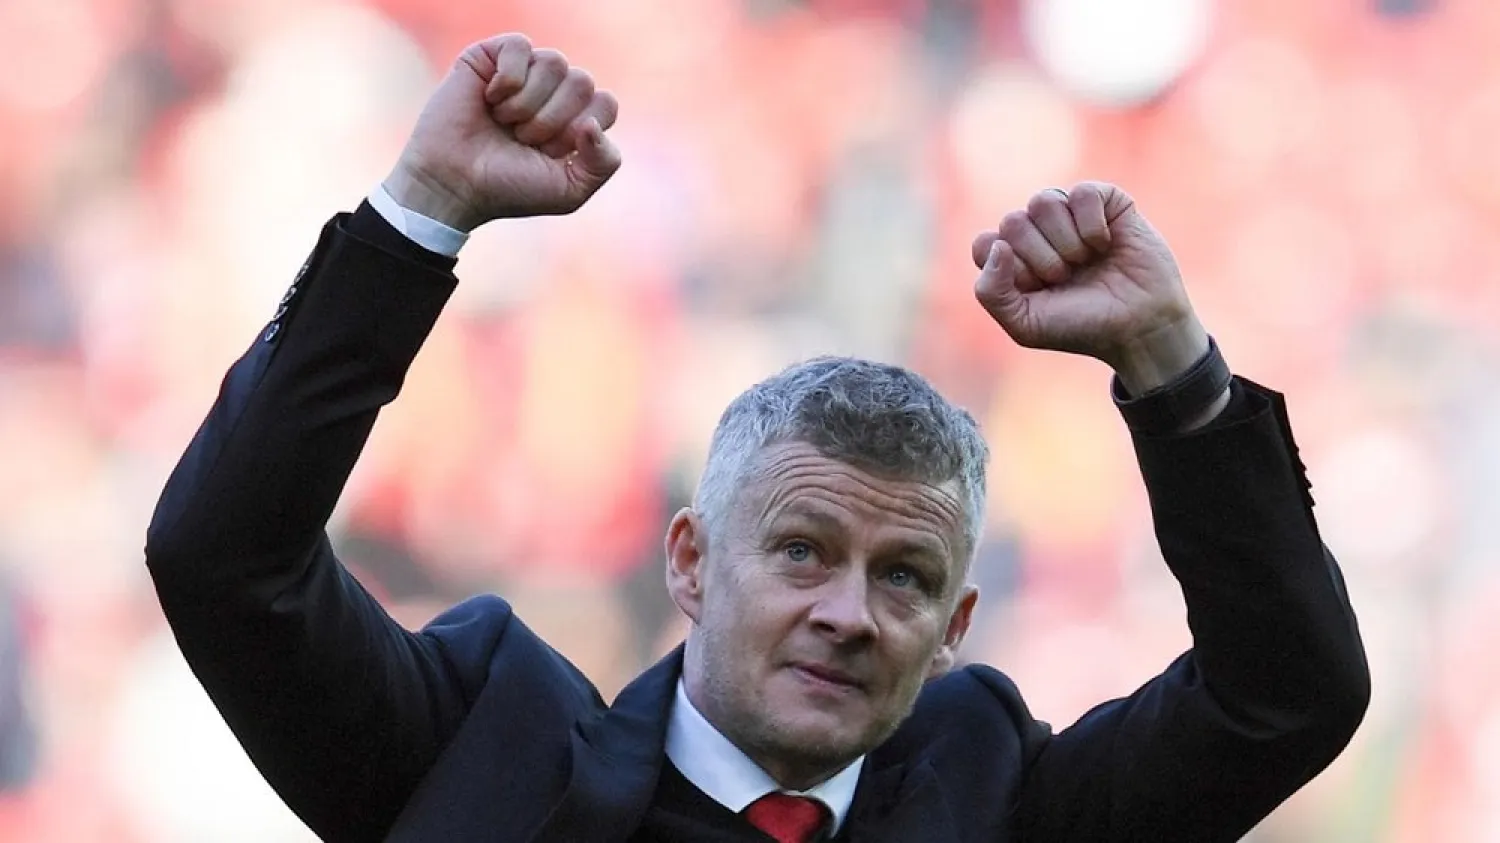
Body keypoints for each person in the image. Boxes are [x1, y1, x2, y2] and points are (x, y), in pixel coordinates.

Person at [144, 33, 1370, 843]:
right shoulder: (484, 755)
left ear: (953, 632)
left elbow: (1289, 696)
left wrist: (1171, 368)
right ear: (686, 561)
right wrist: (421, 216)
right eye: (799, 551)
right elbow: (226, 559)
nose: (849, 610)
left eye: (904, 578)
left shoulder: (1002, 803)